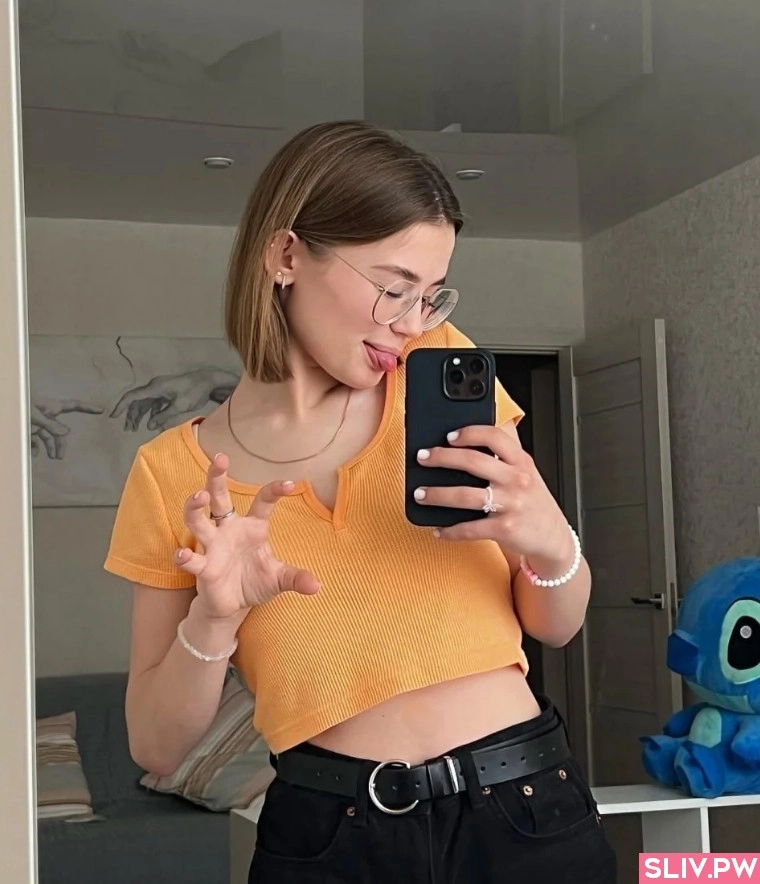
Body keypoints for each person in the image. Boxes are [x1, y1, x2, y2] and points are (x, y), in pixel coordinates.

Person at [104, 120, 617, 883]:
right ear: (286, 256)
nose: (411, 323)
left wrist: (550, 542)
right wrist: (214, 618)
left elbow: (556, 624)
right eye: (393, 289)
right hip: (327, 838)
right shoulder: (170, 472)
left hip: (523, 810)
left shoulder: (438, 369)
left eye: (430, 295)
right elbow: (155, 745)